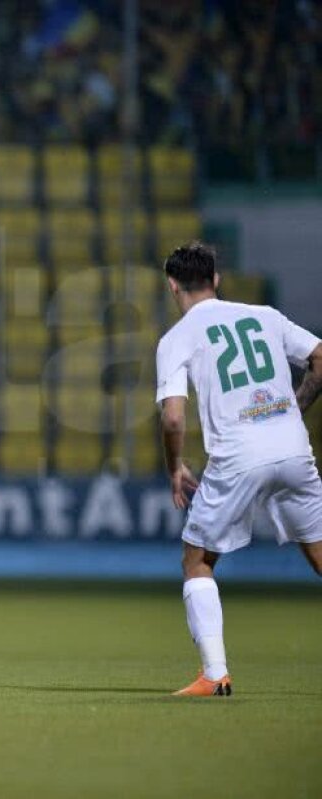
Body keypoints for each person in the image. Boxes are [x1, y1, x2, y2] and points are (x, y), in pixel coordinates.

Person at [156, 242, 322, 696]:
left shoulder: (177, 338)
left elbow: (172, 416)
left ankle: (214, 673)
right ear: (217, 280)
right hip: (293, 448)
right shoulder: (266, 316)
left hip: (237, 455)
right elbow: (320, 357)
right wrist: (292, 408)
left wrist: (175, 466)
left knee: (198, 559)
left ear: (173, 285)